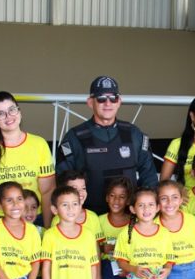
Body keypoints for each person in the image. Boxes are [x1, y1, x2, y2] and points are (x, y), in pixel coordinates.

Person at [56, 76, 158, 213]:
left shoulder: (133, 134)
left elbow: (149, 178)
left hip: (129, 216)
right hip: (89, 217)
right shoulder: (75, 137)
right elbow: (63, 182)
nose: (108, 103)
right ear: (90, 102)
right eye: (101, 98)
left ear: (119, 102)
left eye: (113, 98)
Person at [0, 91, 55, 226]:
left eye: (12, 110)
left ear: (19, 112)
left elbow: (47, 191)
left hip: (31, 217)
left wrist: (48, 227)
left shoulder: (39, 144)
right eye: (1, 113)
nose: (9, 116)